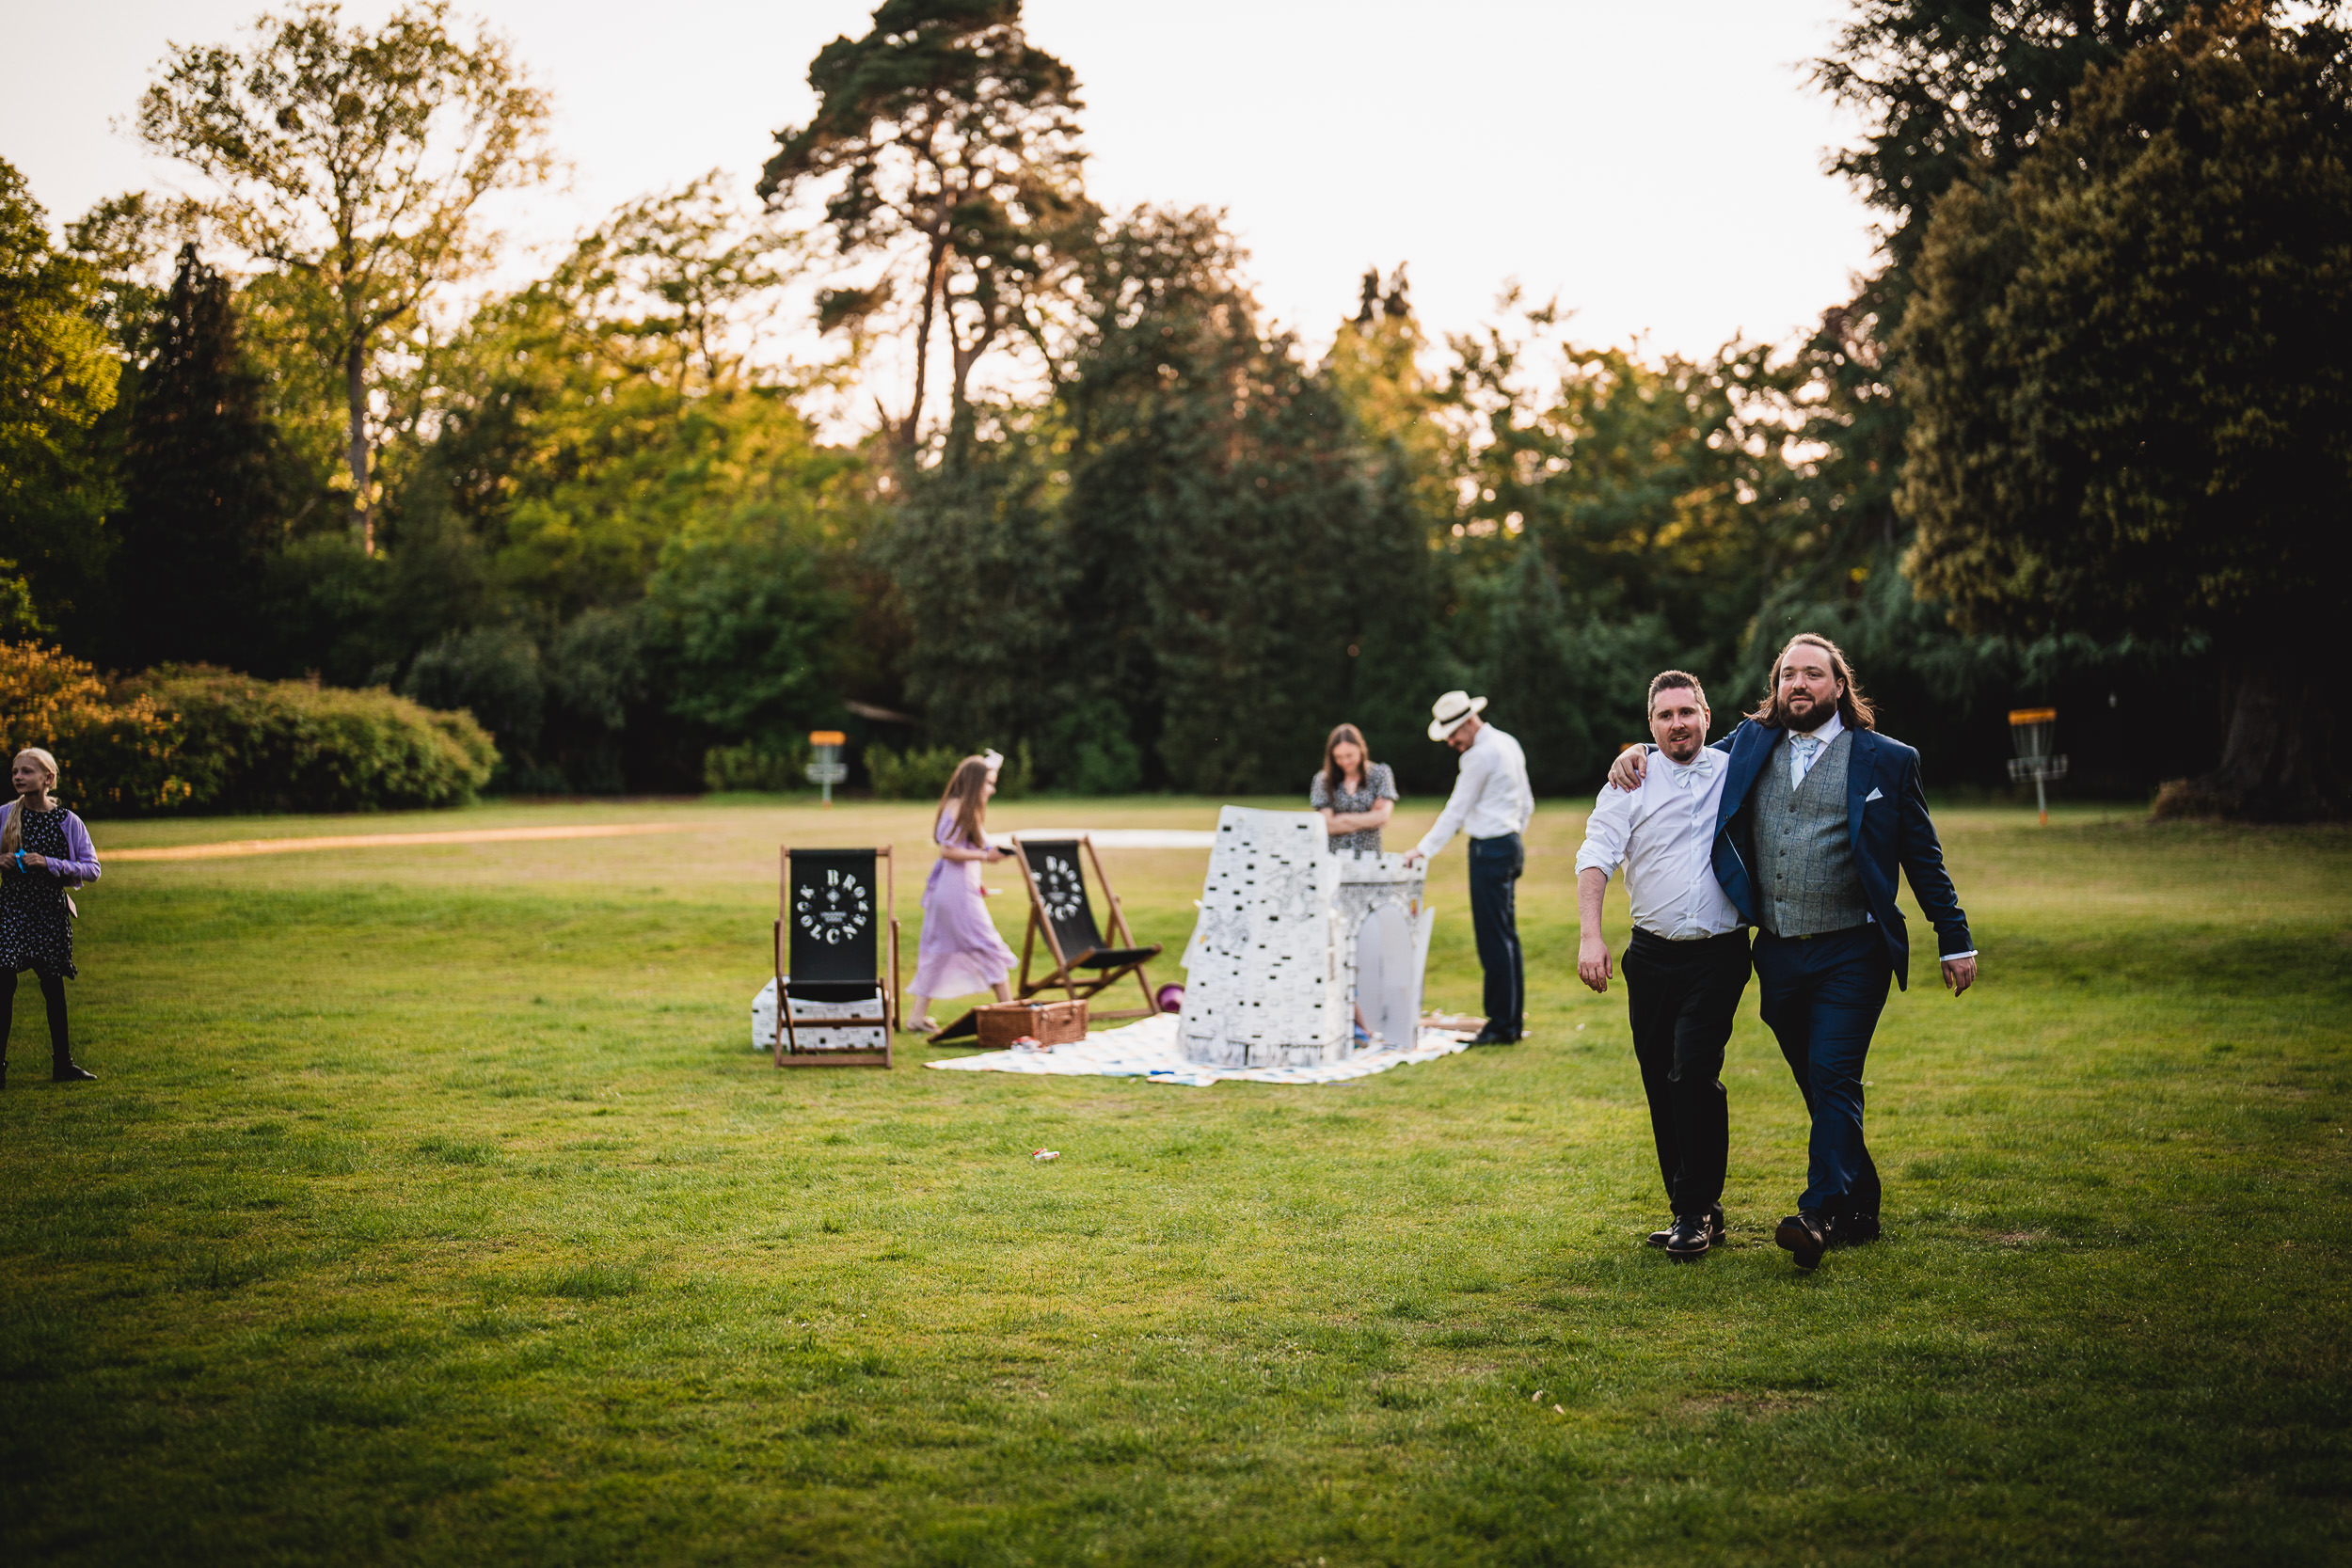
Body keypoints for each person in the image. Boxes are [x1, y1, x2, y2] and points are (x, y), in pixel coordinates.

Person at [1608, 634, 1977, 1270]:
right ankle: (1860, 1202)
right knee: (1818, 1081)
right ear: (1776, 687)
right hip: (1778, 952)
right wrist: (1636, 753)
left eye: (1813, 674)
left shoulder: (1887, 759)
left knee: (1833, 1073)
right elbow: (1684, 755)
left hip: (1852, 949)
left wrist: (1954, 935)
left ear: (1839, 684)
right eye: (1788, 675)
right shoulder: (1751, 743)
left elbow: (1922, 854)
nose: (1798, 684)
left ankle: (1817, 1213)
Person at [1574, 673, 1748, 1260]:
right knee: (1660, 1081)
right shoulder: (1631, 782)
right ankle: (1697, 1206)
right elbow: (1595, 855)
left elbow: (1779, 730)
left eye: (1687, 712)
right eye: (1665, 716)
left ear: (1706, 714)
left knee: (1692, 1072)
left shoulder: (1736, 770)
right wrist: (1590, 937)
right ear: (1650, 726)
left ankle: (1694, 1211)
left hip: (1720, 953)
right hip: (1650, 956)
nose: (1678, 723)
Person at [1405, 691, 1534, 1046]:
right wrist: (1512, 837)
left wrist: (1423, 850)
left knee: (1493, 940)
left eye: (1451, 733)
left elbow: (1456, 811)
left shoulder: (1479, 756)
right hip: (1509, 844)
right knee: (1508, 937)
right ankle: (1510, 1023)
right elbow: (1527, 802)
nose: (1450, 742)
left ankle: (1500, 1026)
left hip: (1489, 850)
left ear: (1466, 722)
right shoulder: (1509, 743)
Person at [1, 747, 102, 1087]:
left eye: (26, 771)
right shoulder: (4, 815)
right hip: (11, 911)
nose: (18, 777)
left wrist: (49, 862)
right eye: (15, 771)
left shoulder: (67, 821)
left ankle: (64, 1065)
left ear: (48, 779)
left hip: (49, 913)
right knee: (3, 984)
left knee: (52, 987)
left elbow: (92, 869)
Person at [906, 754, 1019, 1036]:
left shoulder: (963, 808)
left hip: (958, 888)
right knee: (988, 945)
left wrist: (978, 879)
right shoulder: (957, 809)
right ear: (975, 783)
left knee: (940, 951)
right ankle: (1011, 1011)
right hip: (954, 893)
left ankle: (916, 1018)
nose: (991, 790)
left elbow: (959, 854)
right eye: (989, 784)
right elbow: (947, 850)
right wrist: (986, 856)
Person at [1310, 723, 1396, 854]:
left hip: (1370, 857)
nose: (1344, 762)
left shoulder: (1380, 774)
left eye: (1349, 755)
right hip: (1334, 857)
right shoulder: (1323, 779)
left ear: (1361, 749)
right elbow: (1326, 825)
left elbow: (1383, 818)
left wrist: (1340, 819)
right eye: (1338, 757)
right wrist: (1369, 818)